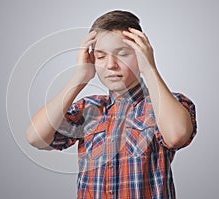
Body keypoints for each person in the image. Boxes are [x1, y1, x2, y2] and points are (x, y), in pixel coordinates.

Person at [26, 10, 197, 199]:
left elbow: (177, 136)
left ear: (141, 55)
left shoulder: (165, 105)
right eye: (100, 57)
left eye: (122, 54)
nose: (110, 65)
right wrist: (79, 78)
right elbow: (36, 137)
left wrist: (149, 68)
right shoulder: (89, 109)